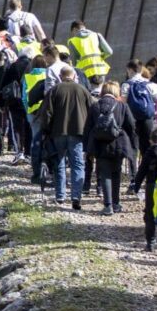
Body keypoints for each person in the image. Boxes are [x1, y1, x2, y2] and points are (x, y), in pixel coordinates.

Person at [39, 66, 94, 208]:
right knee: (77, 164)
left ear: (60, 76)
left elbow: (46, 113)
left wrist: (46, 130)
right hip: (78, 133)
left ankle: (60, 196)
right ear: (74, 75)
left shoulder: (54, 90)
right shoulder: (83, 90)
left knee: (59, 163)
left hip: (58, 132)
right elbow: (92, 110)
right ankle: (76, 196)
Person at [84, 81, 139, 216]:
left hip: (100, 145)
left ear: (103, 91)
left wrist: (87, 148)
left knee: (104, 174)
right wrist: (133, 145)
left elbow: (87, 128)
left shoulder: (95, 106)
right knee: (116, 173)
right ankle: (116, 203)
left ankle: (107, 205)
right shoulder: (122, 106)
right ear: (116, 92)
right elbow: (132, 126)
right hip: (119, 144)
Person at [134, 126, 157, 251]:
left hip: (152, 186)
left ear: (150, 141)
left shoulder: (149, 153)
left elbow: (141, 171)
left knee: (150, 214)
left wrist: (136, 186)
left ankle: (151, 242)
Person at [23, 55, 49, 183]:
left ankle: (37, 173)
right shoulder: (50, 75)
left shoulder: (28, 77)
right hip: (48, 113)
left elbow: (24, 98)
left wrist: (27, 113)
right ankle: (50, 170)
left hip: (33, 113)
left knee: (36, 142)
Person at [67, 20, 113, 86]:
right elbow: (109, 52)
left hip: (84, 72)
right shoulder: (96, 35)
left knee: (87, 94)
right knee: (99, 91)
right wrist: (100, 57)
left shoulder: (72, 41)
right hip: (100, 69)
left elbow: (74, 60)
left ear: (74, 29)